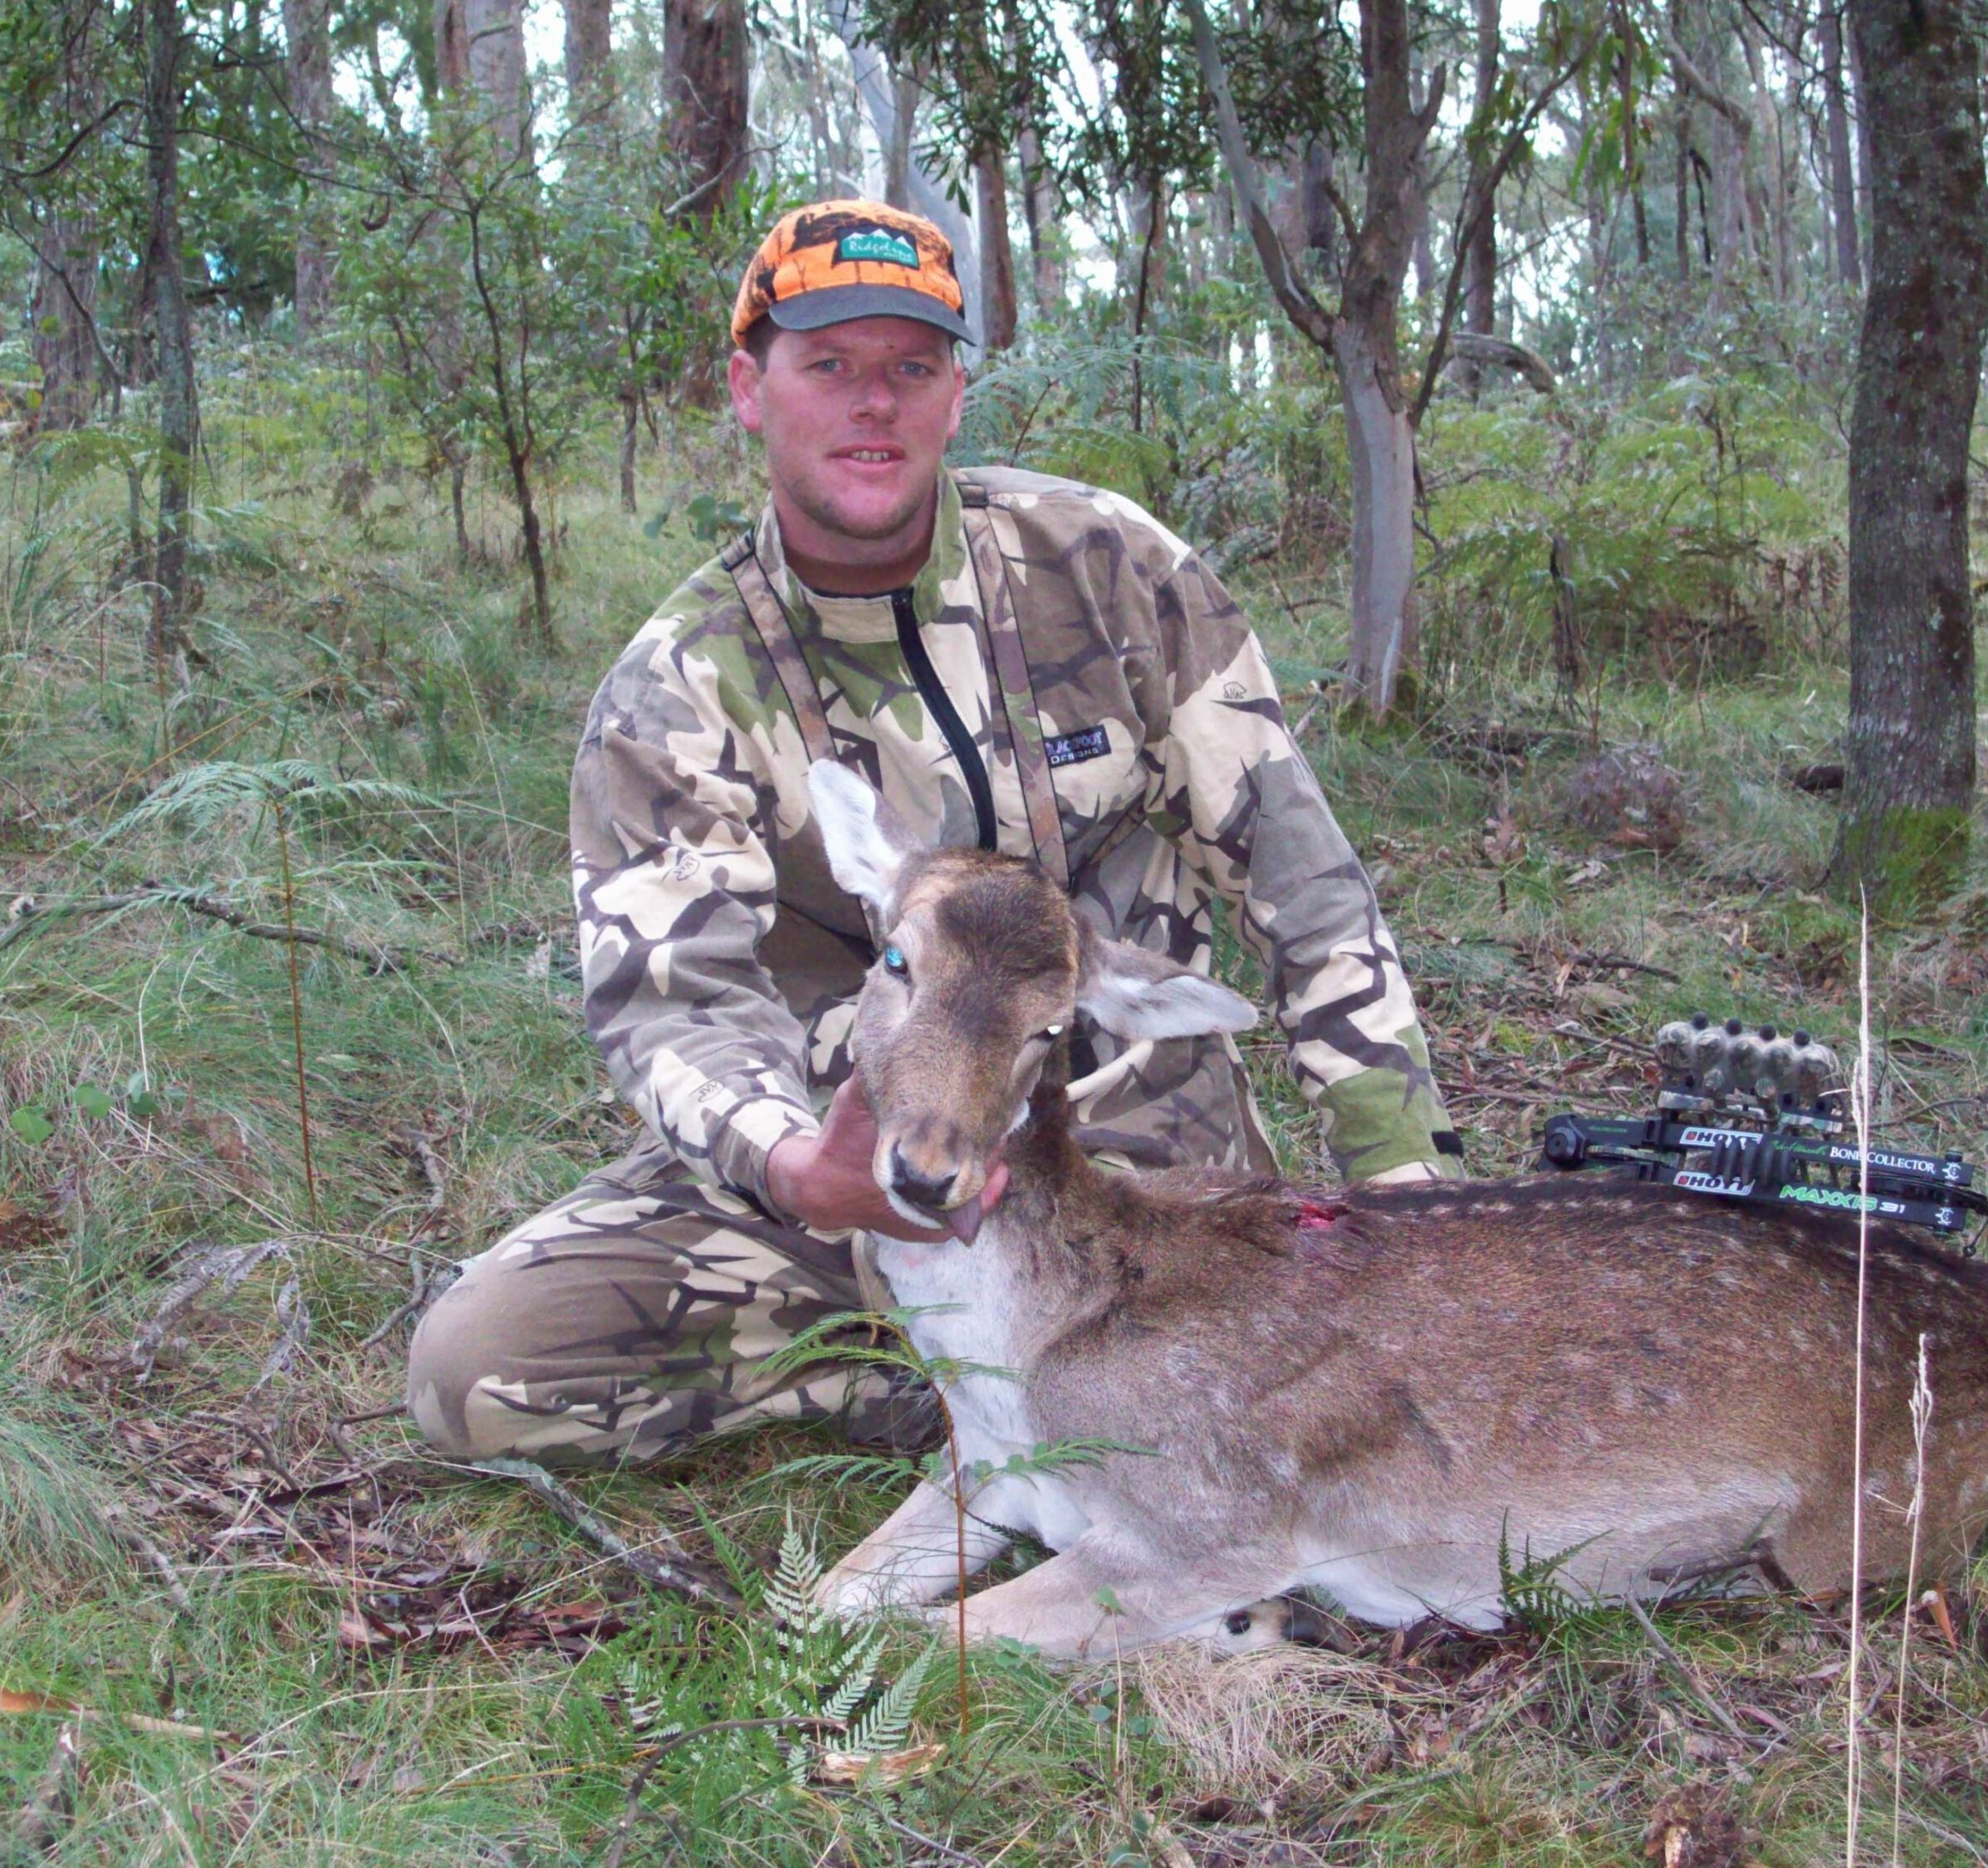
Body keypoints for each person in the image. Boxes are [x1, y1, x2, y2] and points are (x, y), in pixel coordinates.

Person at [406, 199, 1463, 1467]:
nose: (876, 404)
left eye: (912, 367)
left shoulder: (1114, 571)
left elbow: (1307, 885)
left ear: (957, 395)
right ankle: (995, 1398)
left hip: (1125, 1169)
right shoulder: (676, 688)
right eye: (830, 365)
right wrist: (798, 1164)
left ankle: (1077, 1384)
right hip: (852, 1174)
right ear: (750, 389)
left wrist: (1408, 1194)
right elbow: (672, 1004)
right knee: (479, 1375)